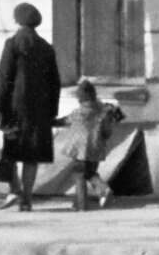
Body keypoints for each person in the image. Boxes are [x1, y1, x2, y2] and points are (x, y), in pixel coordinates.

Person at [0, 2, 63, 213]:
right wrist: (52, 111)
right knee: (32, 156)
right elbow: (55, 82)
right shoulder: (46, 47)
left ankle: (15, 190)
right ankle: (27, 199)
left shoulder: (12, 44)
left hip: (14, 108)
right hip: (39, 109)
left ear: (18, 21)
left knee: (9, 151)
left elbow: (4, 79)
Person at [50, 79, 126, 211]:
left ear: (80, 98)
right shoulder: (103, 110)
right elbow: (120, 116)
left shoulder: (77, 113)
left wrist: (48, 122)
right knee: (89, 172)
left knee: (80, 175)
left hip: (80, 149)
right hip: (97, 147)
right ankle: (78, 203)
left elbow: (63, 121)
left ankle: (86, 201)